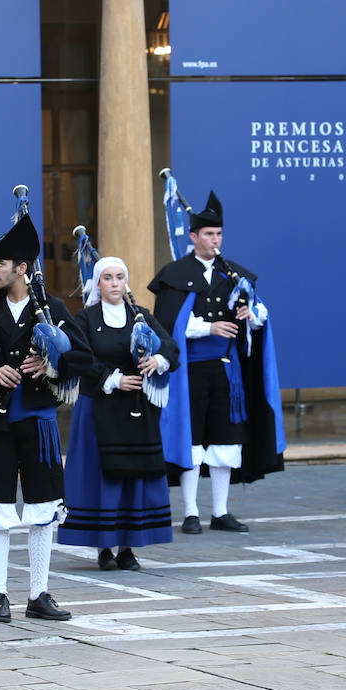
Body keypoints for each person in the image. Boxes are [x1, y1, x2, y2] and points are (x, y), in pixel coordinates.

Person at [0, 213, 91, 624]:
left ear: (22, 269)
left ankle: (38, 593)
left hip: (39, 423)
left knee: (43, 507)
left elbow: (83, 358)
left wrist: (51, 365)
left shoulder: (54, 310)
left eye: (0, 265)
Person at [148, 191, 283, 536]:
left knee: (225, 439)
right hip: (190, 371)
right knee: (191, 439)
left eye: (219, 234)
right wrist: (208, 327)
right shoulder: (175, 274)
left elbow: (261, 315)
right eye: (208, 234)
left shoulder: (233, 274)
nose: (215, 240)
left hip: (227, 371)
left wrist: (249, 314)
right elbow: (166, 324)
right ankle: (191, 512)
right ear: (193, 237)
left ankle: (221, 511)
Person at [59, 257, 179, 571]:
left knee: (133, 477)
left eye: (120, 277)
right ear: (97, 284)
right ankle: (103, 547)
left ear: (126, 282)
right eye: (108, 278)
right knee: (103, 479)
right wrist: (113, 379)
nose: (114, 283)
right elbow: (76, 358)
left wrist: (158, 362)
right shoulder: (84, 319)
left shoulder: (141, 316)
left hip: (136, 411)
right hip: (100, 406)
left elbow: (170, 347)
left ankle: (128, 547)